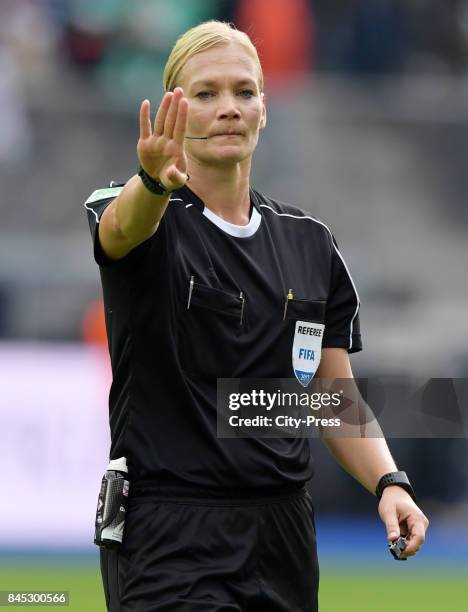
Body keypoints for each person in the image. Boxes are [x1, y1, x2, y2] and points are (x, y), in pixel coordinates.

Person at [84, 20, 429, 612]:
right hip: (169, 533)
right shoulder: (137, 210)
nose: (228, 108)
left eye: (244, 92)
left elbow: (329, 395)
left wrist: (388, 481)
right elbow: (121, 231)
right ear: (175, 108)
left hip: (283, 535)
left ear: (265, 109)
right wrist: (150, 182)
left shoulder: (311, 244)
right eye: (206, 93)